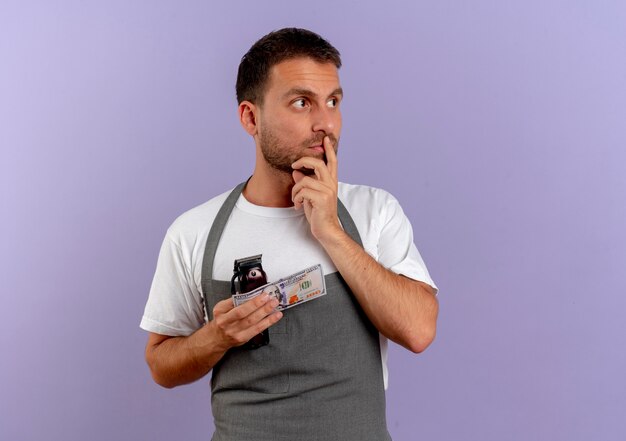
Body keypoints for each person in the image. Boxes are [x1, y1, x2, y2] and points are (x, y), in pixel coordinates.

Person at [140, 27, 439, 441]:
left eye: (333, 102)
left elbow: (419, 330)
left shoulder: (374, 211)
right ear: (250, 117)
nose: (325, 123)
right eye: (302, 103)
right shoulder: (193, 231)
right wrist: (215, 337)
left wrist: (331, 231)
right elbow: (161, 365)